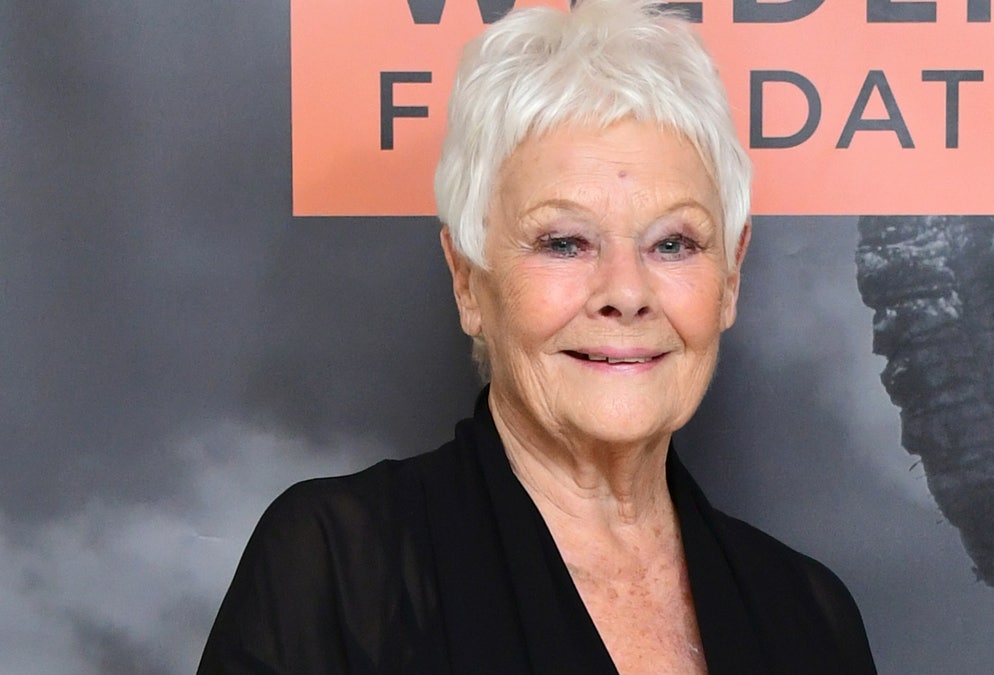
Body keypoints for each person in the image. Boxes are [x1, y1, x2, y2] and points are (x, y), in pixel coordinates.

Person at [199, 0, 876, 672]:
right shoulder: (335, 571)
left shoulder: (810, 614)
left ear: (730, 278)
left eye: (673, 243)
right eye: (564, 242)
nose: (627, 292)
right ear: (468, 280)